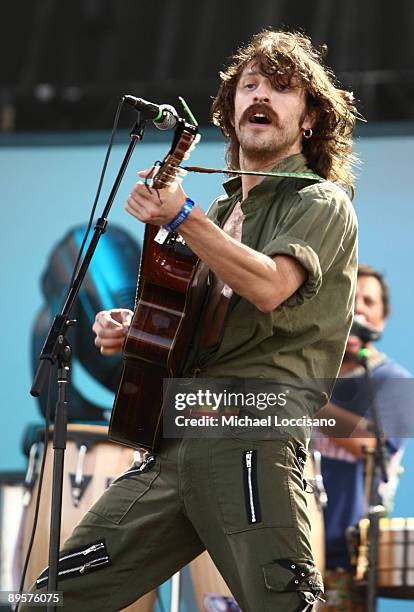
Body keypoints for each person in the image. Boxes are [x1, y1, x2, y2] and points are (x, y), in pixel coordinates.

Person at [22, 29, 358, 611]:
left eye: (282, 89)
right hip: (177, 440)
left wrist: (181, 214)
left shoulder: (320, 201)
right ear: (229, 113)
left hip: (254, 436)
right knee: (58, 597)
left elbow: (270, 286)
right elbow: (206, 325)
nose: (261, 96)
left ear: (308, 119)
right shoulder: (225, 209)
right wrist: (139, 333)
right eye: (249, 85)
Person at [314, 264, 413, 611]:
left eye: (368, 302)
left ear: (381, 321)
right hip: (282, 549)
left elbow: (368, 444)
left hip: (344, 562)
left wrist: (300, 395)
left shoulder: (394, 382)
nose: (358, 308)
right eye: (351, 298)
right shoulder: (309, 373)